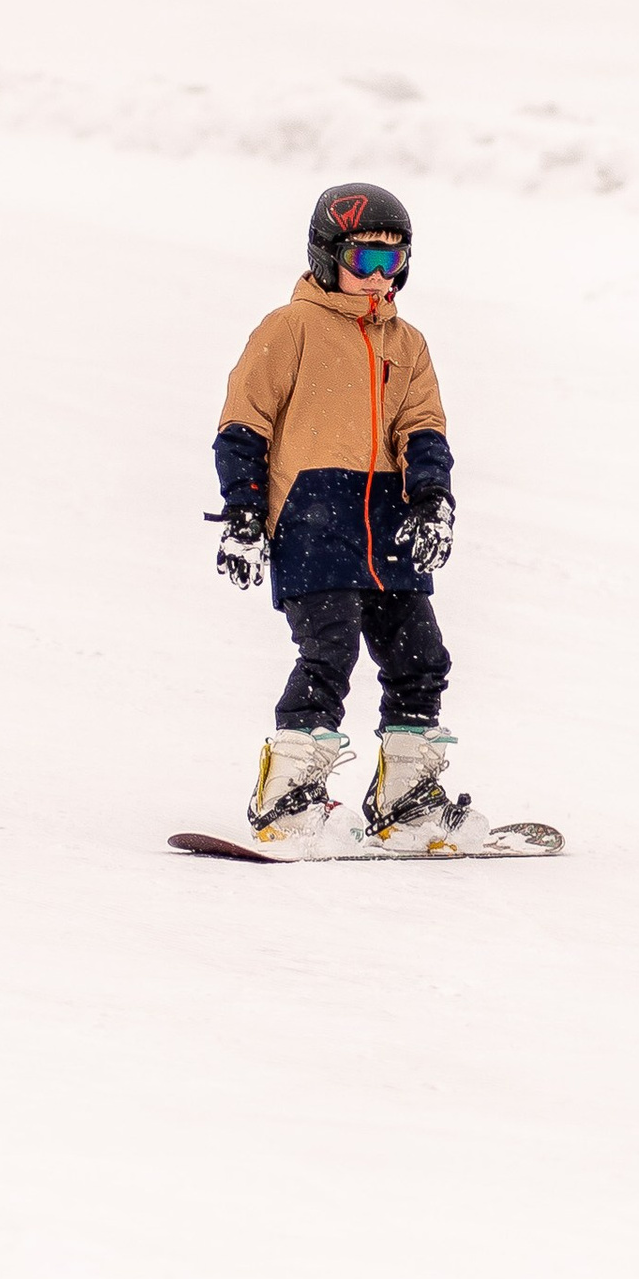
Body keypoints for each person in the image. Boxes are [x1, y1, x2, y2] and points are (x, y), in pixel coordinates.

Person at [208, 183, 470, 853]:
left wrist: (432, 498)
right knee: (328, 652)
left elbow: (423, 426)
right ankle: (287, 800)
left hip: (390, 526)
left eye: (392, 262)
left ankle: (405, 801)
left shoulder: (406, 342)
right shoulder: (289, 328)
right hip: (313, 521)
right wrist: (244, 514)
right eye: (364, 260)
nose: (379, 277)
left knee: (422, 660)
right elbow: (244, 422)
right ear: (327, 257)